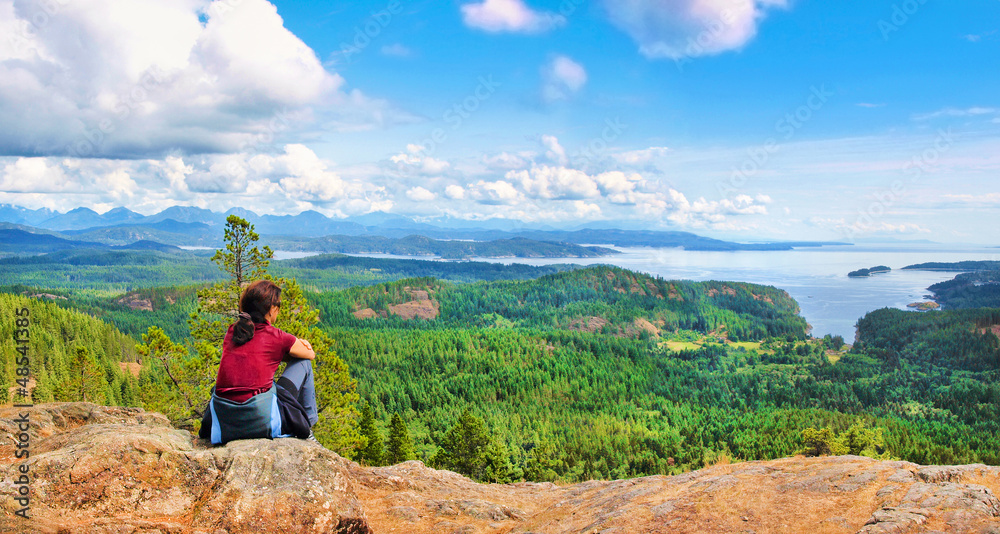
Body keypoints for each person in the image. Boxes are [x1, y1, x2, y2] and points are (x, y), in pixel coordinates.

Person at [199, 279, 319, 445]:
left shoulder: (233, 331)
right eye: (278, 306)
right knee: (304, 364)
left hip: (225, 420)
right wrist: (303, 342)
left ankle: (306, 426)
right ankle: (308, 426)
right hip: (260, 419)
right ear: (271, 309)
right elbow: (309, 354)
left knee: (267, 383)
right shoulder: (277, 336)